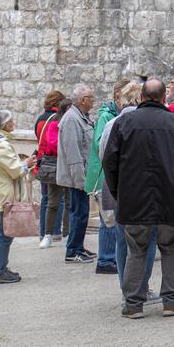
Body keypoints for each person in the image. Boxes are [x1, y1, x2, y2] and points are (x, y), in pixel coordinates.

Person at [104, 78, 174, 319]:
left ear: (143, 97)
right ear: (163, 97)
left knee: (136, 250)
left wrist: (119, 192)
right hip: (171, 196)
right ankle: (171, 301)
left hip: (134, 198)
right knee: (170, 249)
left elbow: (110, 162)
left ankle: (134, 303)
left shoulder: (124, 122)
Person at [98, 81, 162, 305]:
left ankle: (127, 289)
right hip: (146, 188)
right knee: (148, 240)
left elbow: (103, 155)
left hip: (117, 187)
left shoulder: (111, 124)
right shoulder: (150, 121)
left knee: (122, 240)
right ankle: (141, 288)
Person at [0, 109, 37, 284]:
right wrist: (27, 163)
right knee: (5, 234)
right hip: (4, 195)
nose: (14, 124)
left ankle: (0, 267)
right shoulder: (0, 145)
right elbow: (15, 170)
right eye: (11, 121)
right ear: (4, 125)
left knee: (4, 233)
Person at [85, 80, 128, 275]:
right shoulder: (106, 116)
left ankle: (110, 257)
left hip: (110, 174)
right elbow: (100, 143)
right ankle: (105, 259)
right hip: (104, 174)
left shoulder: (114, 115)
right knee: (108, 219)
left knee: (112, 219)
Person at [56, 84, 96, 264]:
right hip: (77, 176)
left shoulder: (80, 117)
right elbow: (73, 154)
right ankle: (73, 250)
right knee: (79, 213)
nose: (93, 100)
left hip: (82, 174)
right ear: (82, 100)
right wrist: (80, 180)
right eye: (91, 97)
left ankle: (77, 246)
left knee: (81, 212)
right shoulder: (72, 119)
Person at [39, 99, 72, 249]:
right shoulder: (54, 123)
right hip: (55, 166)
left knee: (69, 203)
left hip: (70, 166)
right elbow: (52, 143)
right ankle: (48, 234)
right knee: (53, 202)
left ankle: (66, 234)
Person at [35, 89, 66, 243]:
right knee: (57, 198)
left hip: (42, 163)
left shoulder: (41, 118)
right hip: (53, 161)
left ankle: (43, 232)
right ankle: (54, 232)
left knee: (46, 198)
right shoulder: (56, 118)